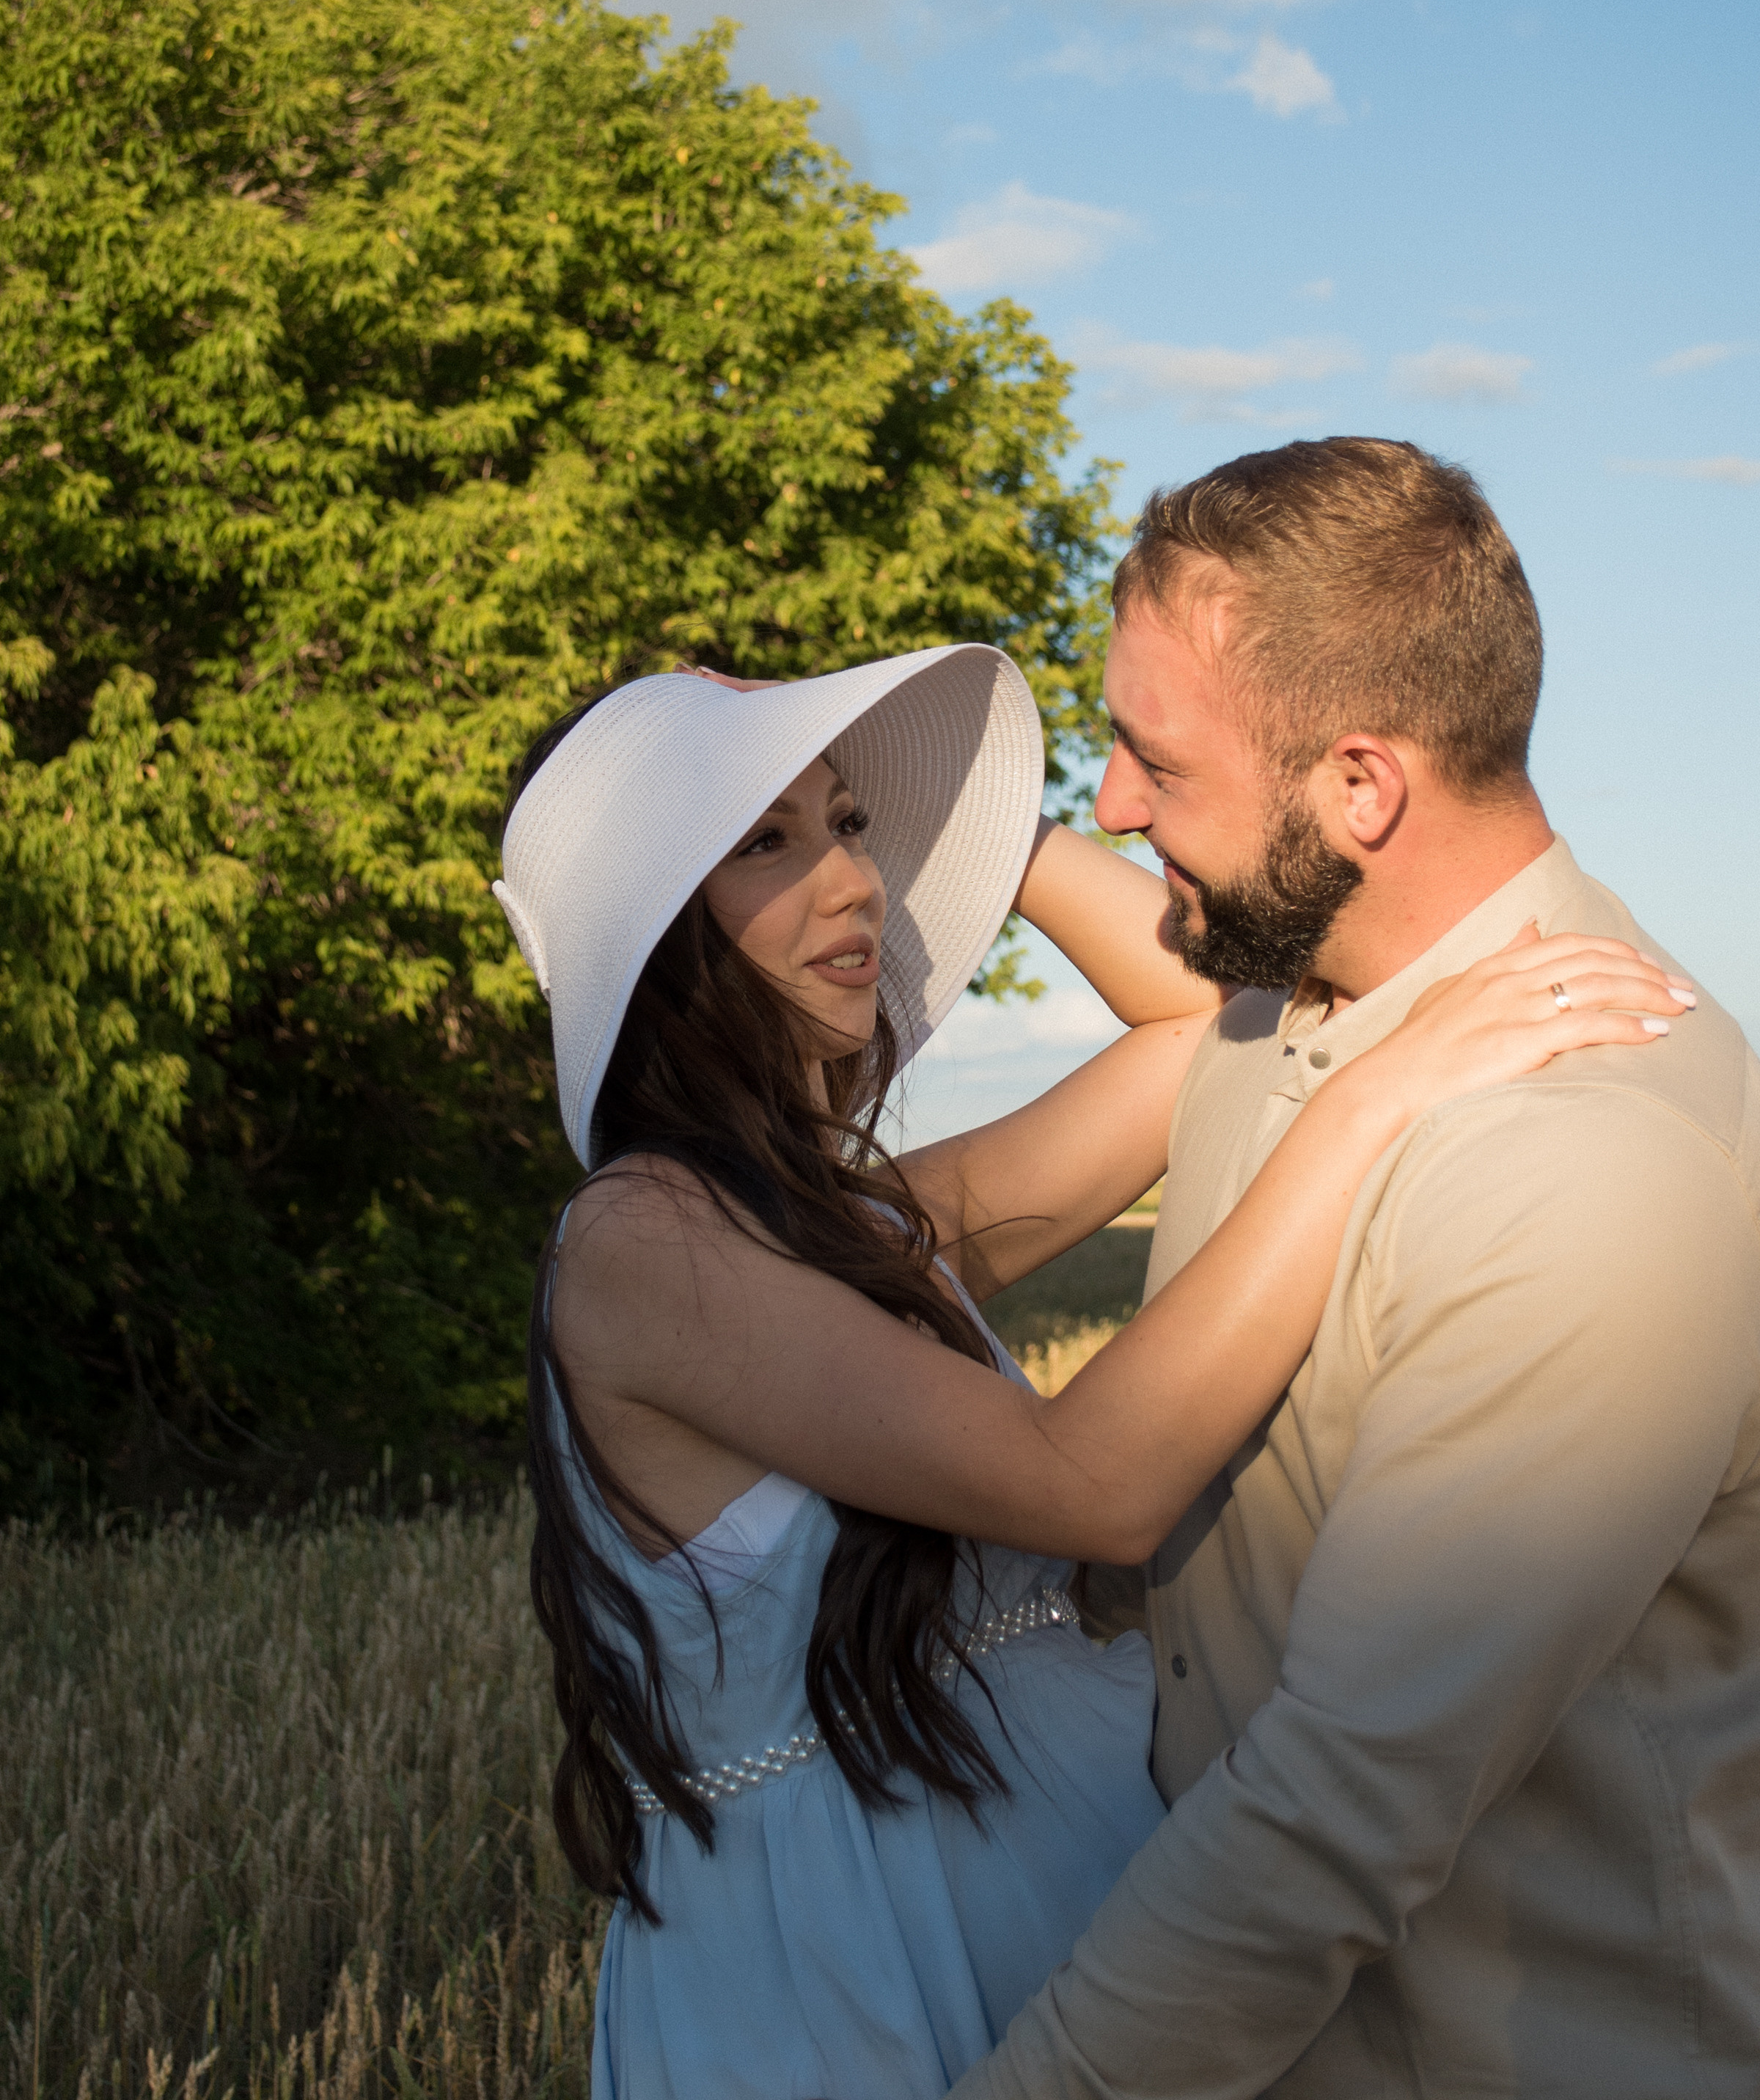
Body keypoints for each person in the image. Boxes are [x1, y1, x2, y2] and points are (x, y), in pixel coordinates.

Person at [491, 640, 1687, 2100]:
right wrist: (1385, 1093)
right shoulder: (643, 1246)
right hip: (840, 1984)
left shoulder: (869, 1229)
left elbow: (1205, 1016)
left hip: (1053, 1931)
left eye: (855, 824)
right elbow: (1098, 1484)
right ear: (657, 928)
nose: (858, 882)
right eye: (768, 843)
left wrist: (994, 831)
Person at [950, 436, 1760, 2100]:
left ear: (1361, 788)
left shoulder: (1584, 1163)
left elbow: (1335, 1814)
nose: (1109, 806)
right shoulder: (1271, 1001)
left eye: (1150, 763)